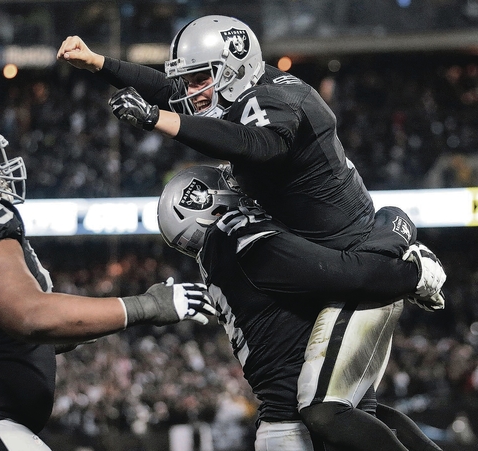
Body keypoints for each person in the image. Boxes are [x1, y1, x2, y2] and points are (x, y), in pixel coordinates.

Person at [57, 16, 446, 450]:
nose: (188, 93)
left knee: (349, 409)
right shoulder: (249, 244)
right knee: (334, 410)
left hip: (350, 260)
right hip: (358, 264)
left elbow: (244, 138)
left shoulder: (223, 248)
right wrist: (409, 259)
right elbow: (343, 272)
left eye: (198, 78)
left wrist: (104, 68)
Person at [0, 114, 215, 451]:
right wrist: (147, 305)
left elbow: (6, 336)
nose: (3, 168)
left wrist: (100, 322)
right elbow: (31, 316)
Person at [156, 164, 446, 451]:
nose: (238, 186)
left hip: (299, 424)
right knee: (338, 412)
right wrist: (406, 254)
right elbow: (352, 275)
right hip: (301, 430)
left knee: (375, 414)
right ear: (208, 203)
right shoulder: (238, 242)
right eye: (227, 183)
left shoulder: (224, 253)